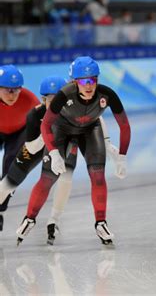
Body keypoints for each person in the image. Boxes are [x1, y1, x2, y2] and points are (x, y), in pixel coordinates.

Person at [15, 56, 131, 245]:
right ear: (74, 82)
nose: (89, 85)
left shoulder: (107, 95)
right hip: (61, 131)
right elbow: (46, 126)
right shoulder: (64, 95)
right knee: (48, 177)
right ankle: (29, 218)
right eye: (84, 81)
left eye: (93, 80)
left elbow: (124, 126)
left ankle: (101, 223)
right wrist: (53, 152)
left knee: (98, 175)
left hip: (89, 131)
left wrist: (122, 157)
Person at [0, 64, 40, 231]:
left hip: (19, 131)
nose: (12, 94)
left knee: (11, 166)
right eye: (7, 90)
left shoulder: (30, 99)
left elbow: (47, 122)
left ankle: (0, 210)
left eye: (16, 89)